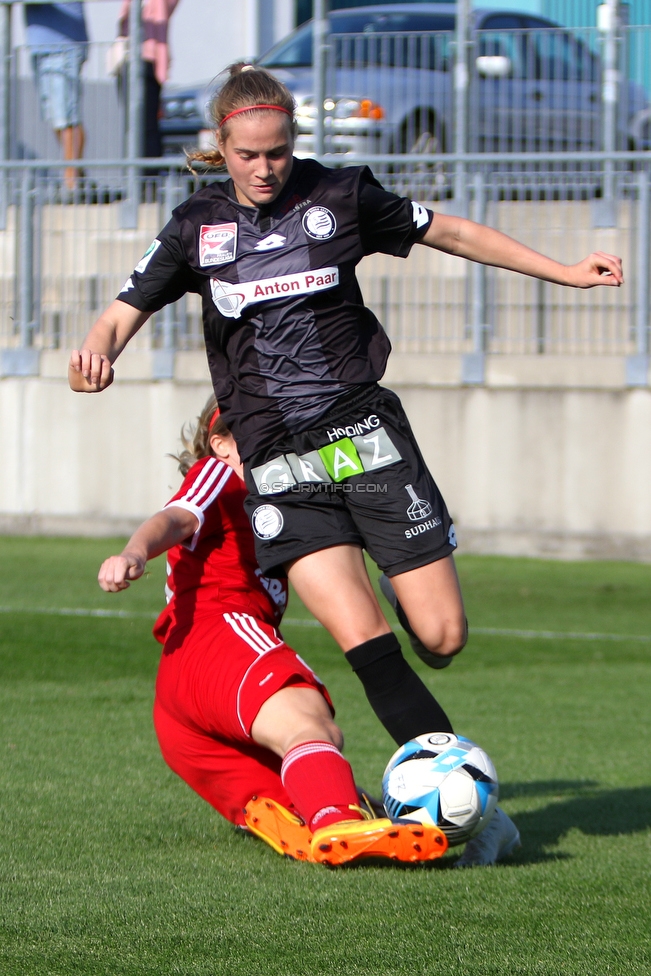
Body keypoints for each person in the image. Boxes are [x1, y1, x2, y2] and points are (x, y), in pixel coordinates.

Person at [69, 63, 623, 866]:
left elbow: (455, 233)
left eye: (280, 152)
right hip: (277, 464)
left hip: (362, 438)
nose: (266, 169)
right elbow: (124, 310)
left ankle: (411, 594)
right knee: (364, 642)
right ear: (220, 148)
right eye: (251, 155)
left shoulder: (341, 195)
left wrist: (564, 270)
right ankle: (471, 813)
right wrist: (96, 352)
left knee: (439, 635)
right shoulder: (195, 227)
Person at [96, 396, 448, 866]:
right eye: (255, 432)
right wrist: (136, 552)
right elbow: (177, 517)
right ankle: (337, 823)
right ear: (220, 444)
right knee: (310, 723)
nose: (271, 443)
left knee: (303, 794)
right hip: (218, 635)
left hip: (181, 709)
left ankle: (314, 824)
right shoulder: (218, 474)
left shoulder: (287, 492)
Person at [25, 2, 88, 190]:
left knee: (66, 119)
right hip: (42, 48)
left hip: (62, 48)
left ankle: (71, 183)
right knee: (57, 119)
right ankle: (78, 175)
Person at [115, 0, 180, 158]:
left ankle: (147, 176)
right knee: (133, 125)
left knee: (146, 124)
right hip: (130, 57)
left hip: (147, 59)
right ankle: (135, 173)